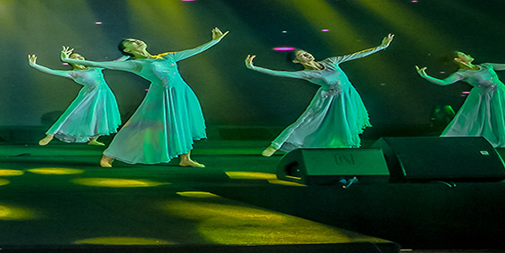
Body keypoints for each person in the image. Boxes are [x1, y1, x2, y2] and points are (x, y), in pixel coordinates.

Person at [62, 28, 227, 167]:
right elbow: (101, 64)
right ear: (127, 50)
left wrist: (215, 41)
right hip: (160, 97)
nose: (136, 41)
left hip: (182, 93)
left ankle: (185, 158)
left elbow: (195, 50)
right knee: (142, 125)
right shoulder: (135, 64)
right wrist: (67, 59)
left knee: (182, 122)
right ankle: (109, 156)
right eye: (131, 42)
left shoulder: (166, 56)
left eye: (135, 39)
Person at [245, 34, 393, 156]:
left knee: (345, 122)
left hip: (347, 96)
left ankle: (343, 147)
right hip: (327, 99)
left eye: (306, 52)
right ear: (296, 61)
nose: (307, 55)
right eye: (302, 55)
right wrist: (253, 67)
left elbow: (355, 55)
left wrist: (381, 46)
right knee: (306, 120)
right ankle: (276, 145)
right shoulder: (306, 73)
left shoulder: (331, 61)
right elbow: (279, 73)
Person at [415, 49, 505, 148]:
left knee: (502, 116)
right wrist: (425, 76)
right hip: (485, 96)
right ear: (457, 59)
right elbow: (444, 82)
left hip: (500, 93)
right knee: (485, 118)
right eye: (463, 54)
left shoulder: (486, 65)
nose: (467, 54)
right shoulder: (462, 73)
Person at [27, 51, 121, 146]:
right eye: (75, 57)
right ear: (70, 61)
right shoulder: (74, 73)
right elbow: (53, 71)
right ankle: (50, 135)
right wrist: (35, 65)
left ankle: (93, 139)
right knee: (72, 114)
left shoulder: (94, 67)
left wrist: (127, 56)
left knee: (101, 115)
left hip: (104, 94)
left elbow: (113, 63)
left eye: (80, 56)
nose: (79, 58)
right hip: (89, 95)